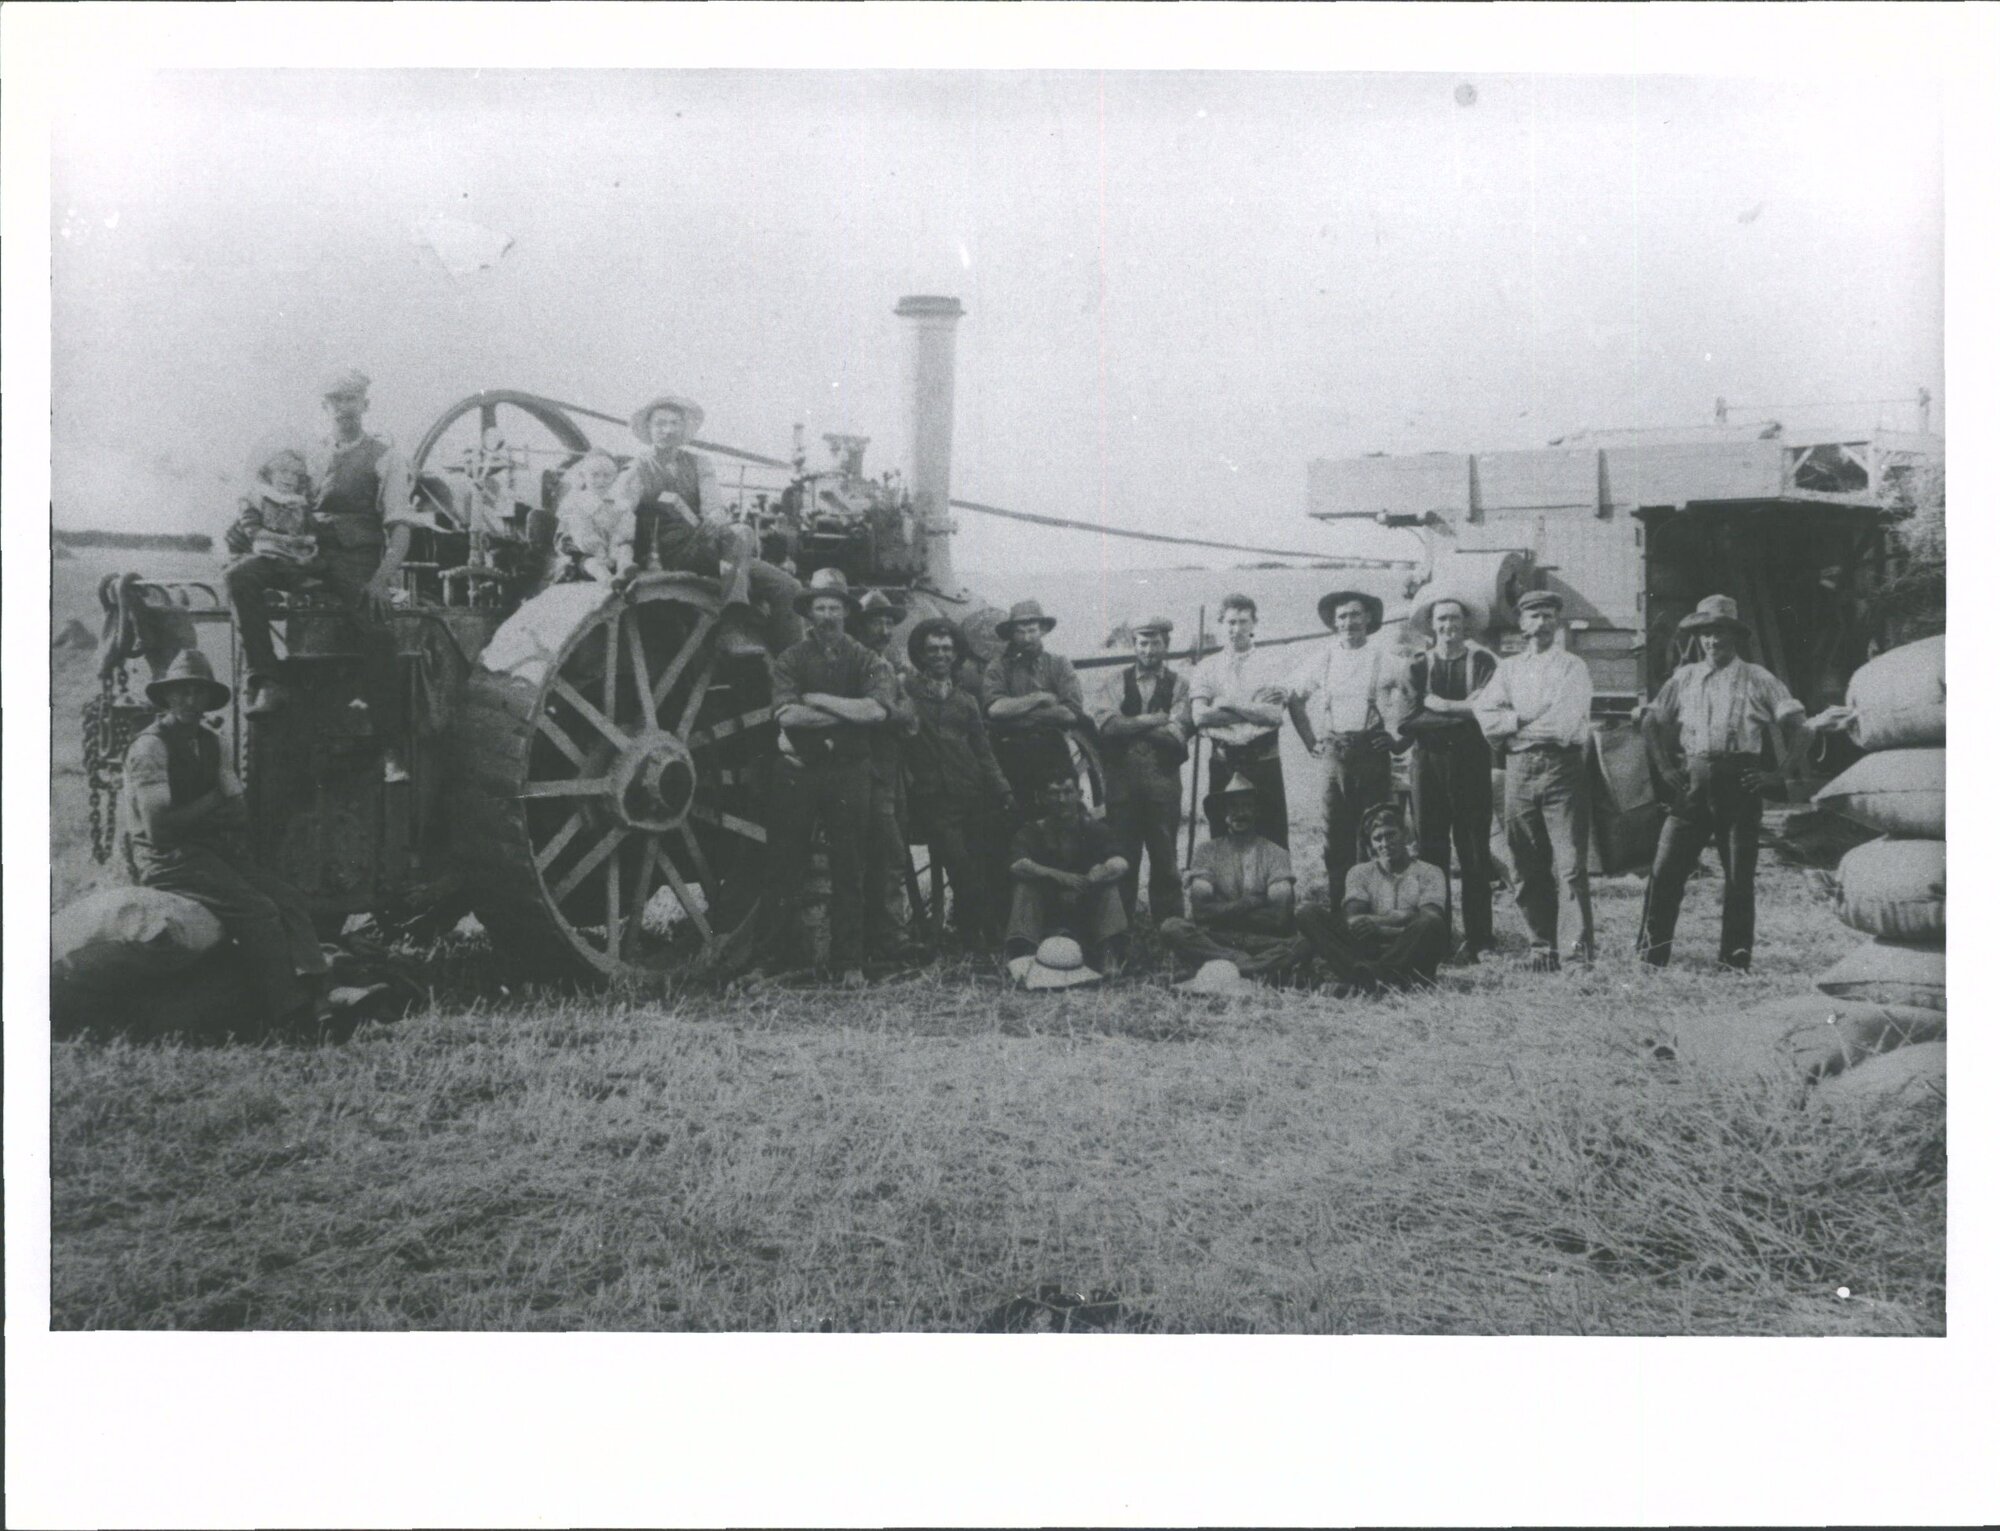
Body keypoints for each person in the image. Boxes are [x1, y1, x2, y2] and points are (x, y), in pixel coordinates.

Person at [120, 648, 329, 1029]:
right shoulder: (150, 747)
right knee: (258, 910)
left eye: (197, 693)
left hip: (207, 851)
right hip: (167, 860)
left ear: (207, 699)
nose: (189, 701)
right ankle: (288, 1014)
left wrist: (206, 813)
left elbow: (240, 812)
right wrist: (215, 801)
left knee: (290, 900)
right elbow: (159, 829)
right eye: (181, 692)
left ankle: (319, 990)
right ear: (166, 698)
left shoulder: (213, 742)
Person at [224, 370, 423, 723]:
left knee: (378, 637)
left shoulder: (387, 458)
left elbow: (401, 527)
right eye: (335, 400)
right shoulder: (308, 456)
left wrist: (380, 581)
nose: (344, 408)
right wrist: (252, 531)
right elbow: (275, 501)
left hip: (355, 561)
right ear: (324, 406)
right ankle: (267, 679)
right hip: (305, 554)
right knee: (240, 576)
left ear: (365, 404)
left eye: (351, 399)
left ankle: (390, 740)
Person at [1636, 594, 1811, 971]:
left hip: (1740, 785)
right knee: (1665, 872)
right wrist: (1665, 767)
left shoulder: (1758, 678)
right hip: (1692, 784)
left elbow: (1802, 727)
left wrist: (1777, 774)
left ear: (1735, 637)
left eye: (1721, 633)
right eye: (1707, 634)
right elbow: (1651, 721)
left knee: (1738, 879)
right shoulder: (1684, 677)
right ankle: (1651, 959)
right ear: (1699, 637)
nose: (1714, 641)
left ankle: (1734, 962)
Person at [758, 568, 894, 984]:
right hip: (802, 771)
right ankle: (776, 959)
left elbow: (877, 711)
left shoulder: (866, 658)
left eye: (835, 607)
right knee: (785, 864)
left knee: (849, 866)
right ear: (809, 612)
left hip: (849, 773)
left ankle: (847, 961)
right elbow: (787, 714)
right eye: (821, 607)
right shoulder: (791, 659)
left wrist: (817, 699)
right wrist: (845, 710)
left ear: (846, 613)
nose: (828, 615)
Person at [611, 393, 803, 652]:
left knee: (787, 586)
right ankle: (733, 624)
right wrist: (623, 557)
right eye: (660, 424)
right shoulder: (637, 470)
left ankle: (787, 667)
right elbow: (620, 512)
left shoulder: (700, 463)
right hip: (666, 554)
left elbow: (714, 506)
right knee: (743, 532)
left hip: (706, 549)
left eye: (674, 424)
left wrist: (715, 517)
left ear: (683, 429)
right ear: (649, 428)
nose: (667, 430)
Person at [1474, 590, 1596, 971]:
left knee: (1571, 866)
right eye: (1533, 616)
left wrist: (1515, 723)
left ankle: (1576, 955)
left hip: (1562, 767)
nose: (1540, 623)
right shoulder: (1508, 670)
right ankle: (1541, 949)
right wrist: (1520, 721)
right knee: (1525, 864)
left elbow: (1564, 721)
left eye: (1547, 616)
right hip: (1519, 770)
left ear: (1556, 622)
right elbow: (1487, 715)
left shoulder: (1572, 667)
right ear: (1522, 623)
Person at [1284, 588, 1410, 899]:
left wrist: (1398, 741)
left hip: (1372, 754)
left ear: (1368, 618)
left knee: (1377, 830)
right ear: (1334, 622)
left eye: (1355, 614)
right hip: (1334, 754)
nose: (1349, 622)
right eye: (1342, 616)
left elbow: (1414, 698)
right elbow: (1295, 700)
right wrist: (1310, 741)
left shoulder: (1387, 660)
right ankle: (1341, 907)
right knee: (1335, 835)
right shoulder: (1322, 660)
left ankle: (1376, 903)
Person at [904, 617, 1017, 948]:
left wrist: (1003, 790)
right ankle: (977, 935)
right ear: (922, 655)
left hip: (971, 794)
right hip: (932, 799)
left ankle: (982, 934)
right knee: (961, 866)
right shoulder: (908, 694)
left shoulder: (965, 700)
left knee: (984, 861)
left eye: (946, 649)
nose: (940, 655)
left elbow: (983, 752)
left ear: (955, 655)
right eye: (933, 650)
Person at [1401, 594, 1500, 960]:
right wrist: (1465, 714)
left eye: (1455, 619)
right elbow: (1408, 720)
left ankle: (1480, 939)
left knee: (1475, 852)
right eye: (1441, 620)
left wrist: (1440, 708)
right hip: (1428, 767)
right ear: (1431, 625)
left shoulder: (1483, 661)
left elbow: (1491, 709)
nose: (1448, 627)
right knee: (1431, 853)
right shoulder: (1418, 666)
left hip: (1472, 766)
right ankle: (1436, 936)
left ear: (1466, 623)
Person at [1091, 615, 1192, 922]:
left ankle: (1170, 926)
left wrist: (1128, 725)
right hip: (1122, 785)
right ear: (1134, 645)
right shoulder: (1114, 681)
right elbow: (1106, 728)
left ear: (1166, 644)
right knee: (1123, 856)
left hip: (1163, 784)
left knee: (1165, 858)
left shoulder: (1180, 685)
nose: (1149, 650)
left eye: (1155, 643)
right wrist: (1150, 721)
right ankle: (1120, 926)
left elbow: (1178, 734)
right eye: (1143, 643)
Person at [1294, 806, 1451, 995]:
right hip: (1366, 948)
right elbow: (1353, 920)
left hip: (1410, 950)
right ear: (1371, 844)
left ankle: (1366, 981)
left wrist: (1382, 925)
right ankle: (1382, 981)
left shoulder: (1430, 872)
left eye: (1391, 835)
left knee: (1432, 924)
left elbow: (1430, 916)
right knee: (1306, 912)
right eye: (1378, 838)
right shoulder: (1360, 872)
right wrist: (1405, 917)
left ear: (1405, 834)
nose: (1385, 843)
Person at [1157, 784, 1302, 979]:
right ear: (1224, 812)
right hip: (1218, 939)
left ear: (1257, 811)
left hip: (1263, 941)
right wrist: (1249, 903)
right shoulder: (1206, 851)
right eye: (1233, 807)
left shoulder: (1277, 854)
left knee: (1303, 944)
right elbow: (1200, 912)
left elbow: (1279, 918)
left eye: (1247, 806)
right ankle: (1246, 965)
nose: (1240, 813)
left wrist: (1221, 911)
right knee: (1171, 927)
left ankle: (1223, 969)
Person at [1189, 593, 1291, 852]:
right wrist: (1253, 708)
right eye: (1230, 622)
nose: (1236, 629)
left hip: (1263, 760)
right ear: (1221, 624)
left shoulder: (1271, 662)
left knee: (1272, 836)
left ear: (1254, 624)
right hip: (1224, 761)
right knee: (1223, 837)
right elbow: (1200, 716)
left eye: (1243, 622)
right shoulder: (1206, 667)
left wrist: (1226, 704)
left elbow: (1274, 716)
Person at [854, 588, 924, 961]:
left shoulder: (890, 664)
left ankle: (888, 935)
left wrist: (897, 713)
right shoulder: (861, 663)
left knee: (891, 855)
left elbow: (910, 720)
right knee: (889, 854)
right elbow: (883, 714)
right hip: (870, 771)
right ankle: (890, 942)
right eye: (875, 622)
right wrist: (895, 712)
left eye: (887, 622)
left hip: (893, 770)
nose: (883, 629)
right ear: (861, 626)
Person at [1004, 776, 1130, 974]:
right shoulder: (1032, 831)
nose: (1061, 800)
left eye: (1068, 792)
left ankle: (1109, 955)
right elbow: (1017, 864)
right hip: (1047, 911)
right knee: (1025, 887)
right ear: (1042, 798)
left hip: (1085, 908)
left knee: (1109, 886)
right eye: (1054, 793)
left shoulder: (1095, 829)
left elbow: (1121, 862)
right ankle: (1023, 958)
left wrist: (1095, 875)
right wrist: (1058, 875)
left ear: (1079, 795)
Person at [982, 599, 1088, 803]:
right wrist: (1040, 697)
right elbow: (995, 710)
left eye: (1032, 630)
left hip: (1052, 748)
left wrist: (1017, 714)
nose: (1026, 638)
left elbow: (1071, 712)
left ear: (1043, 630)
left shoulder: (1059, 664)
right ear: (1012, 635)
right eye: (1020, 632)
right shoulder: (998, 667)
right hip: (1009, 751)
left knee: (1063, 806)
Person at [552, 449, 637, 583]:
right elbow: (583, 533)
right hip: (585, 548)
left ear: (614, 477)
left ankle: (624, 570)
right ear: (584, 477)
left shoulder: (618, 502)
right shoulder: (577, 502)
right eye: (595, 475)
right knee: (590, 562)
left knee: (626, 549)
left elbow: (624, 527)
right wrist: (601, 554)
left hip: (612, 546)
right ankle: (606, 579)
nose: (601, 481)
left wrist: (615, 548)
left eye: (606, 475)